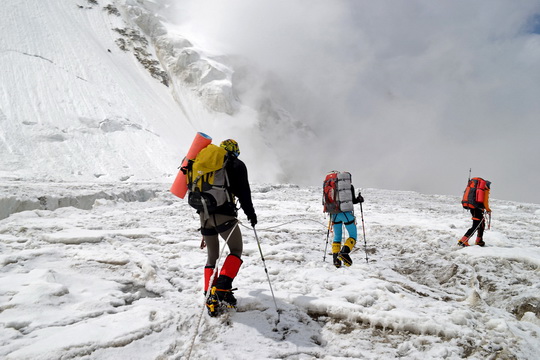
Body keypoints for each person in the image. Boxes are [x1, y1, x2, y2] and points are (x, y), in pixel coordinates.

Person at [197, 139, 257, 316]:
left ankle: (210, 296)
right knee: (236, 249)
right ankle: (222, 288)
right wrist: (251, 214)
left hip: (204, 216)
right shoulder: (235, 164)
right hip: (224, 215)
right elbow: (244, 193)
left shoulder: (208, 163)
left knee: (212, 258)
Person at [324, 172, 364, 268]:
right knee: (353, 236)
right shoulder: (349, 187)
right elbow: (353, 201)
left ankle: (336, 260)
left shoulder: (331, 186)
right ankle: (344, 253)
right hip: (345, 214)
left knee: (337, 236)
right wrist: (359, 199)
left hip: (334, 214)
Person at [459, 178, 491, 247]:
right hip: (477, 209)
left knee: (481, 224)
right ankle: (463, 241)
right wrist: (488, 209)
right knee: (476, 225)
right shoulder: (485, 190)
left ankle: (479, 241)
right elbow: (485, 201)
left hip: (473, 207)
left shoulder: (477, 189)